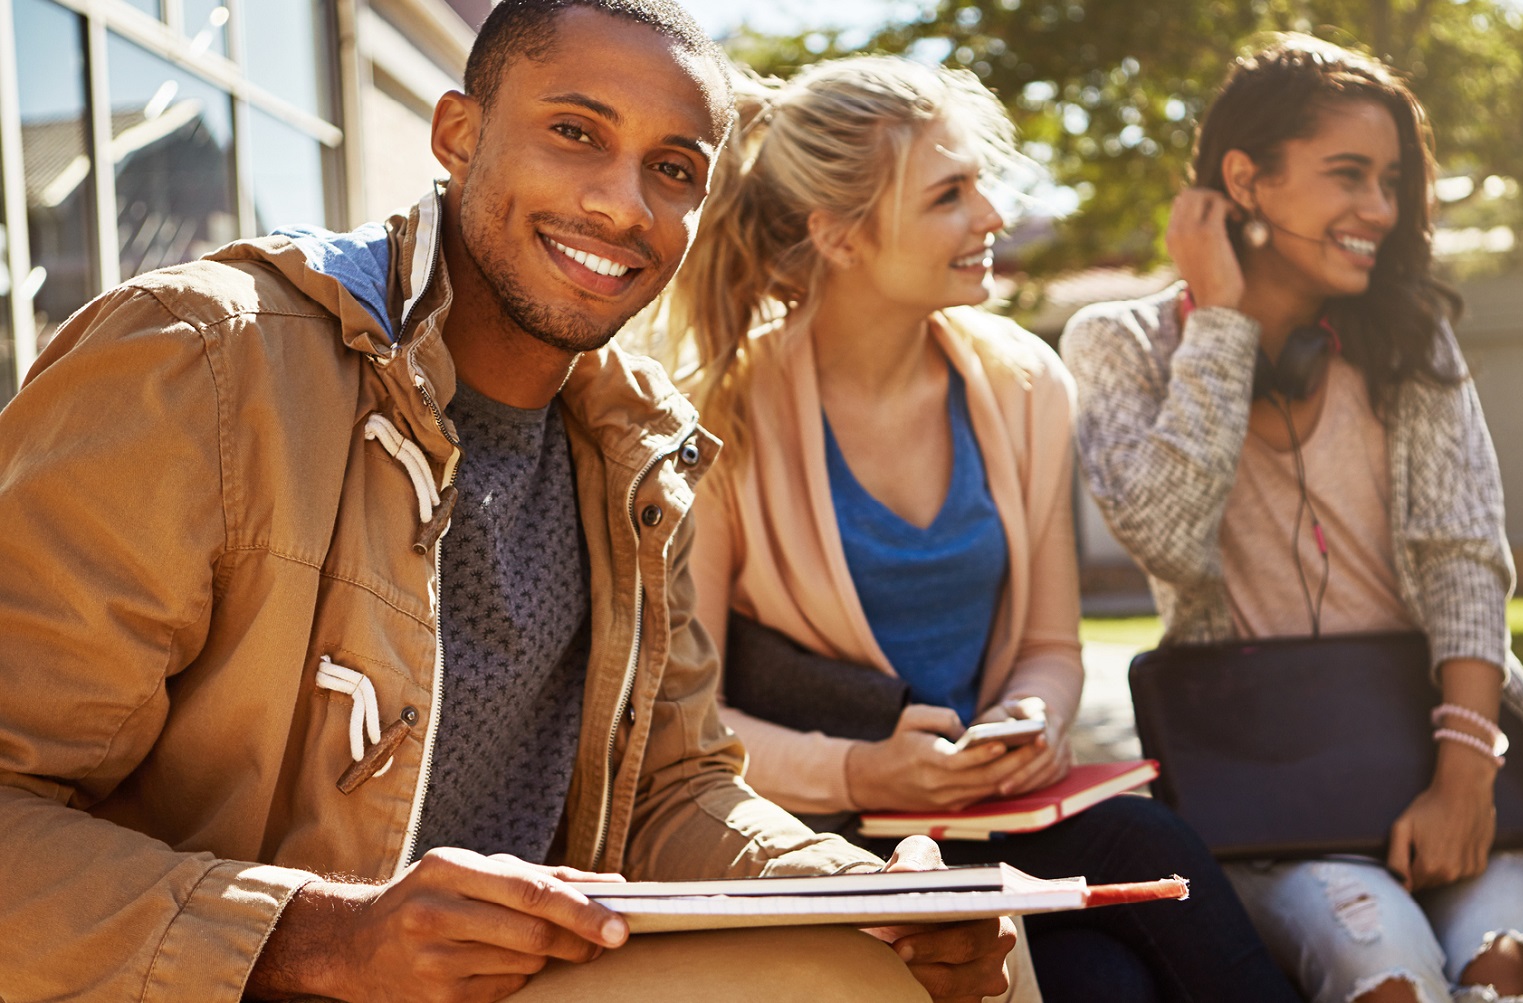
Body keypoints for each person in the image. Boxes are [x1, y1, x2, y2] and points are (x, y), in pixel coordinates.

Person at [0, 3, 1017, 1001]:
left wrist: (856, 892)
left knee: (940, 956)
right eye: (576, 133)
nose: (623, 206)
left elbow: (672, 789)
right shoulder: (197, 362)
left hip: (531, 974)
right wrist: (326, 939)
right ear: (458, 134)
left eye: (673, 170)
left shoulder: (639, 449)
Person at [660, 55, 1298, 1003]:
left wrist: (1030, 715)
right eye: (950, 194)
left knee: (1158, 854)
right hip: (820, 835)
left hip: (1000, 812)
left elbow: (1049, 644)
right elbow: (690, 721)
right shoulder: (718, 416)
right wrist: (863, 768)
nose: (992, 215)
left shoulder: (1024, 383)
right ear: (838, 235)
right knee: (1108, 986)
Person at [1061, 36, 1523, 1003]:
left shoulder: (1410, 338)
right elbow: (1168, 534)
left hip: (1452, 752)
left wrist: (1464, 773)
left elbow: (1463, 558)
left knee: (1512, 972)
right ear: (1245, 179)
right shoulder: (1120, 344)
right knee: (1384, 970)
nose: (1380, 211)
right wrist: (1221, 324)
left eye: (1391, 181)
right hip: (1272, 792)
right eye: (1348, 175)